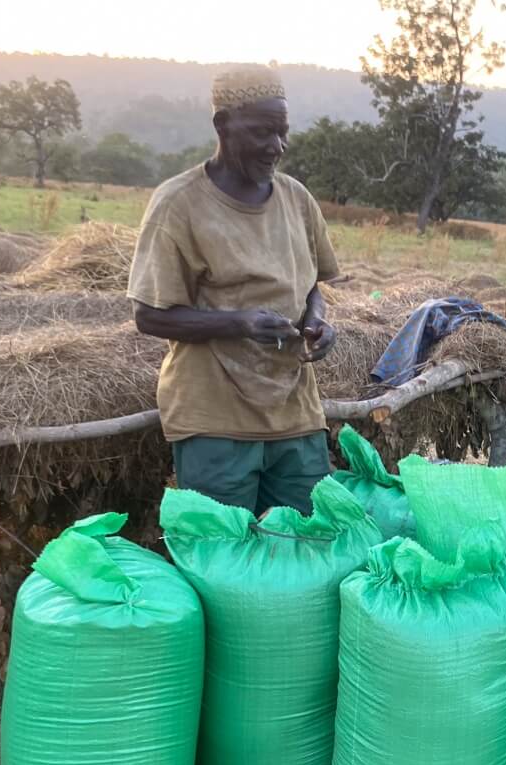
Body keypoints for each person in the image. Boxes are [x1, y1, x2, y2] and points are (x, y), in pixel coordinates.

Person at [128, 65, 340, 515]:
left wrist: (317, 322)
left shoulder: (297, 200)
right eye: (263, 132)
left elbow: (312, 287)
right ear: (222, 125)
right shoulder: (179, 203)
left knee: (306, 546)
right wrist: (239, 323)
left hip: (296, 416)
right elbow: (149, 315)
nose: (276, 146)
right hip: (215, 422)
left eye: (282, 132)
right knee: (223, 561)